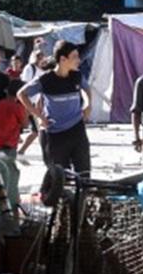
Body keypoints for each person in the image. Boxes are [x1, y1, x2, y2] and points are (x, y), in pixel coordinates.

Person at [21, 40, 92, 175]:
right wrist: (39, 116)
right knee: (59, 176)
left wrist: (88, 105)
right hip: (54, 133)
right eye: (75, 57)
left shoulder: (76, 76)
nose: (78, 60)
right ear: (63, 59)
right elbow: (22, 94)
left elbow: (87, 89)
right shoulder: (46, 80)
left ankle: (82, 196)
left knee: (84, 174)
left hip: (77, 129)